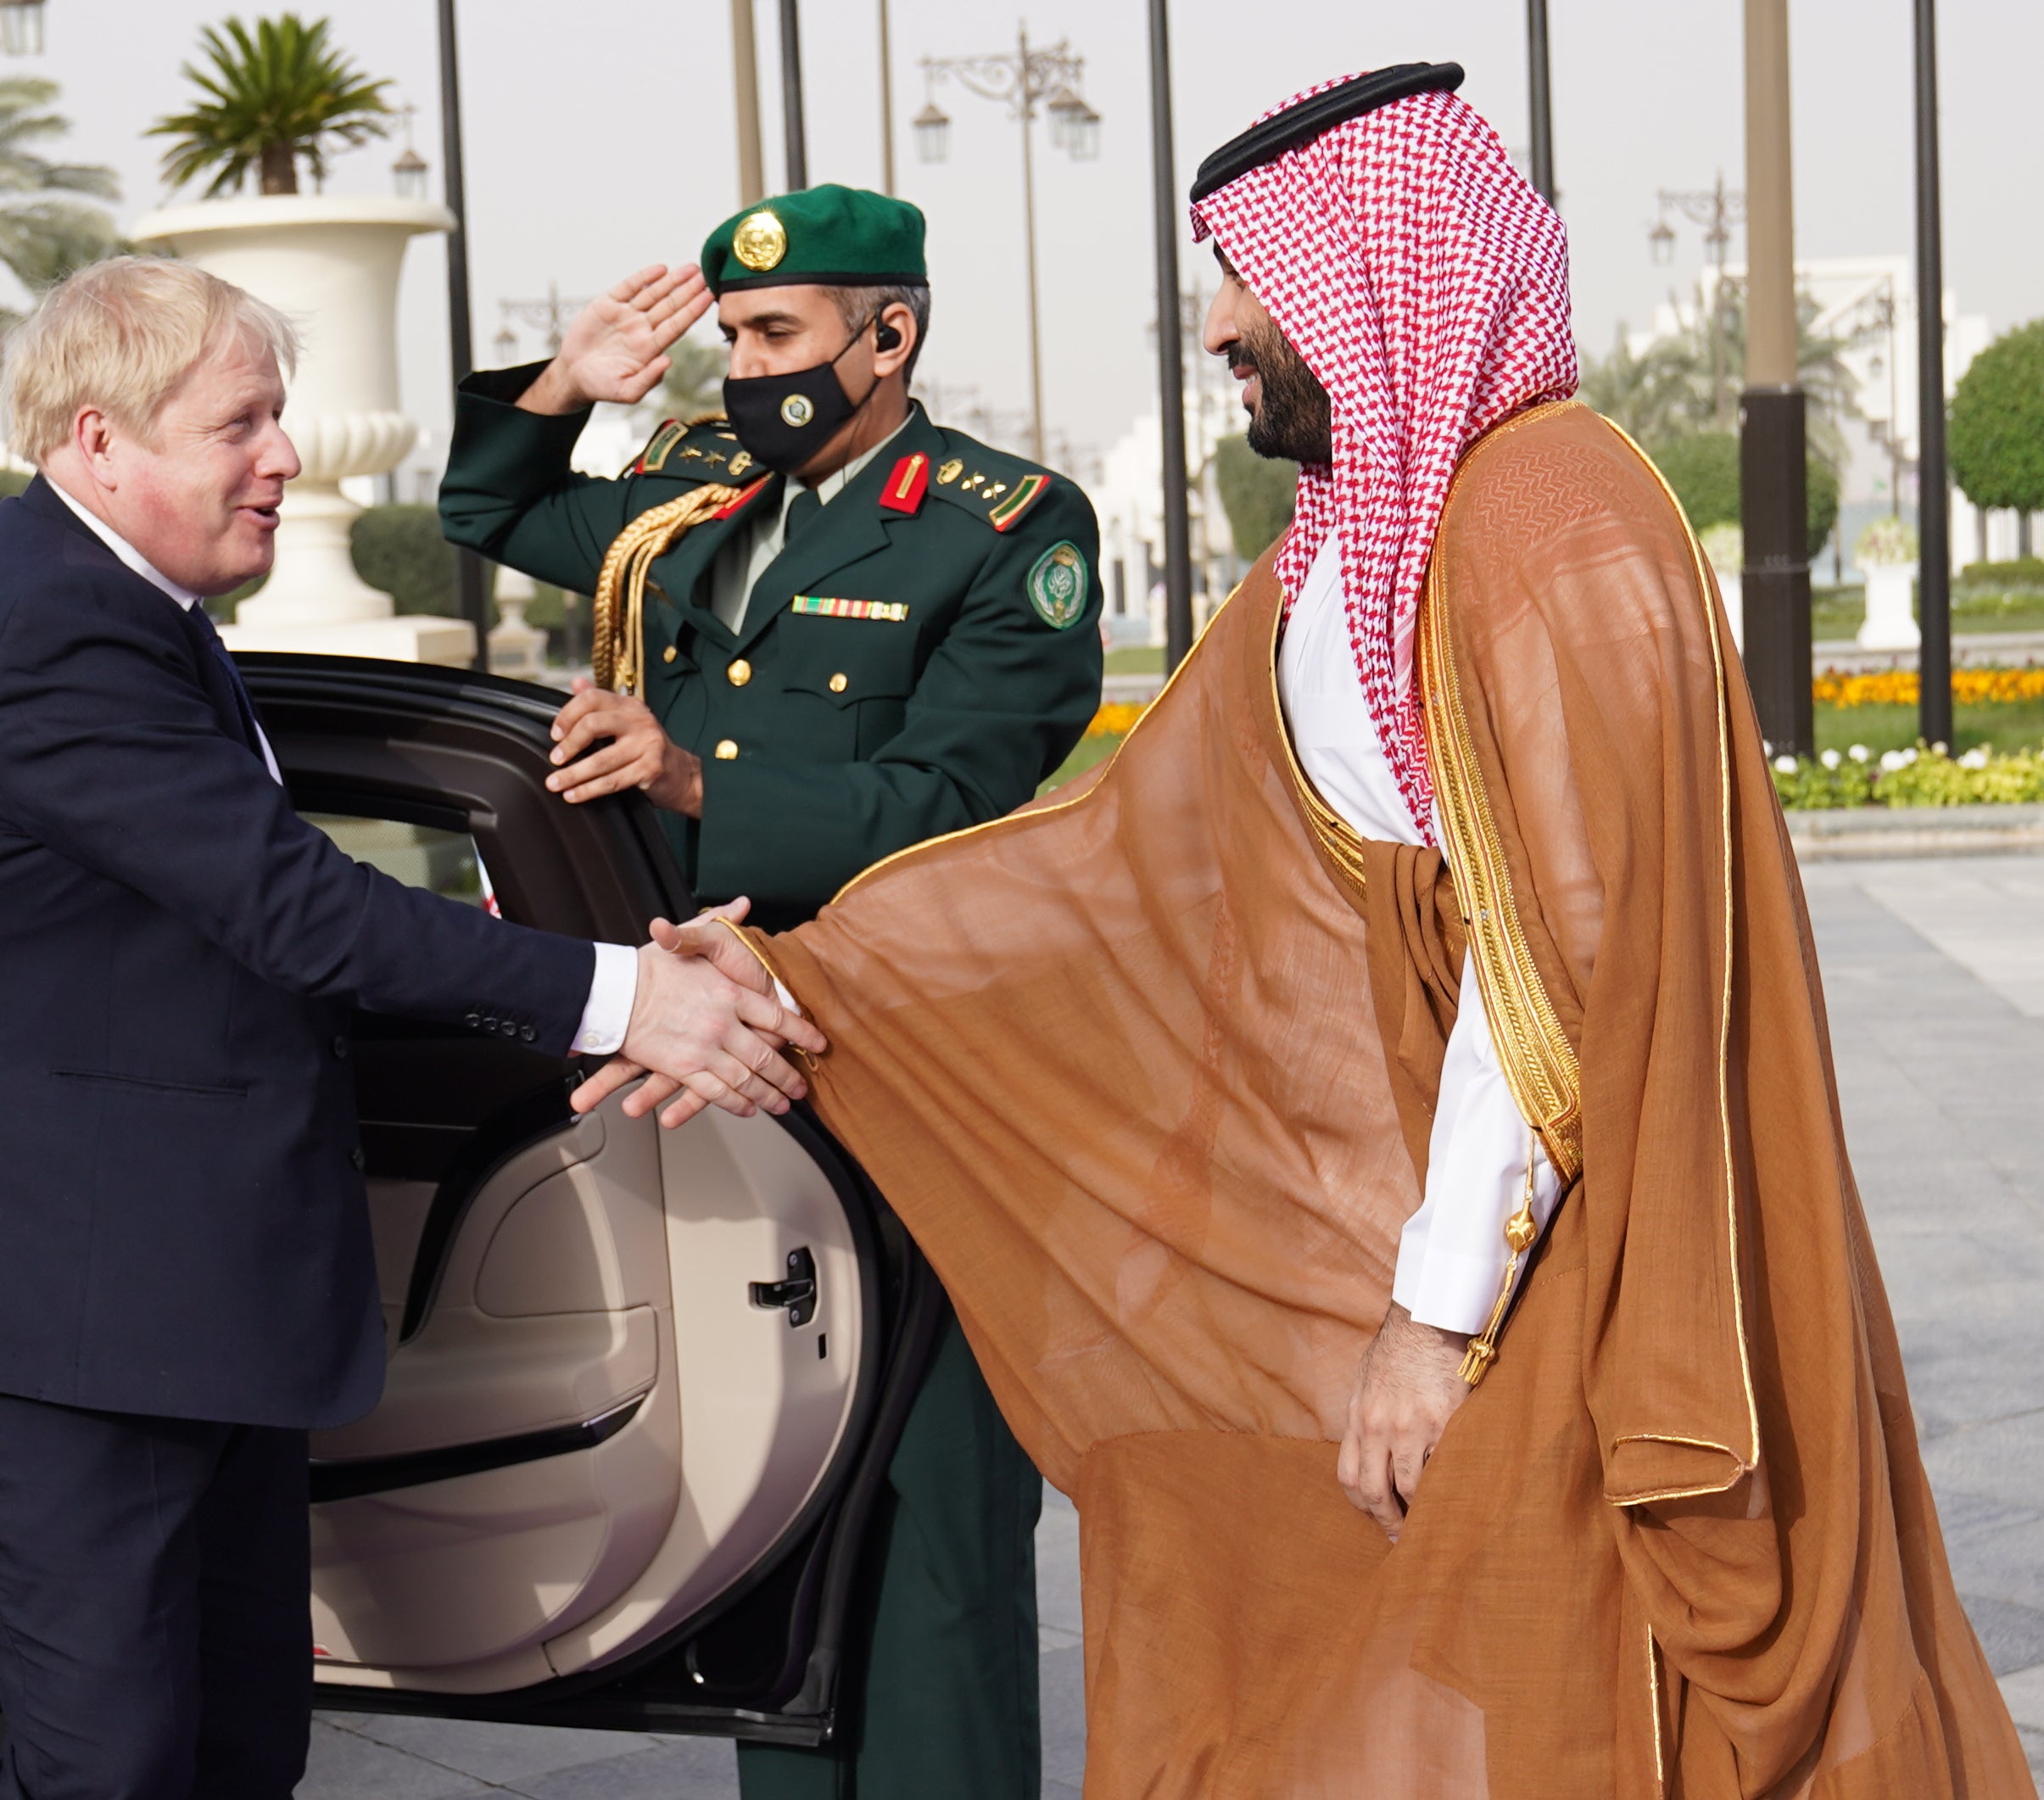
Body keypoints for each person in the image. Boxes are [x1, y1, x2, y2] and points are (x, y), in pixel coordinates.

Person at [594, 66, 2034, 1797]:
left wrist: (1431, 1314)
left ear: (1369, 272)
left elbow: (1552, 965)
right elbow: (1128, 854)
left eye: (1247, 278)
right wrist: (802, 972)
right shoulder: (1357, 541)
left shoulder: (1542, 522)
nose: (1218, 327)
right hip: (1438, 1215)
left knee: (1577, 1653)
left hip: (1560, 1240)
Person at [0, 255, 823, 1800]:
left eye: (279, 415)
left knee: (231, 1751)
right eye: (240, 423)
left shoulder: (121, 608)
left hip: (157, 1305)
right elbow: (296, 909)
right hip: (55, 1326)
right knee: (113, 1770)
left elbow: (224, 922)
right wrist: (632, 997)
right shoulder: (55, 628)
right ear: (100, 441)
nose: (282, 454)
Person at [440, 185, 1100, 1800]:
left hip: (913, 1082)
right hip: (724, 1085)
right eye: (731, 335)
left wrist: (685, 778)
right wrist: (565, 386)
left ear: (891, 336)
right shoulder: (690, 491)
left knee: (930, 1529)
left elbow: (953, 799)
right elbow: (485, 506)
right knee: (761, 1508)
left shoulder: (1007, 529)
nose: (744, 366)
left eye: (777, 334)